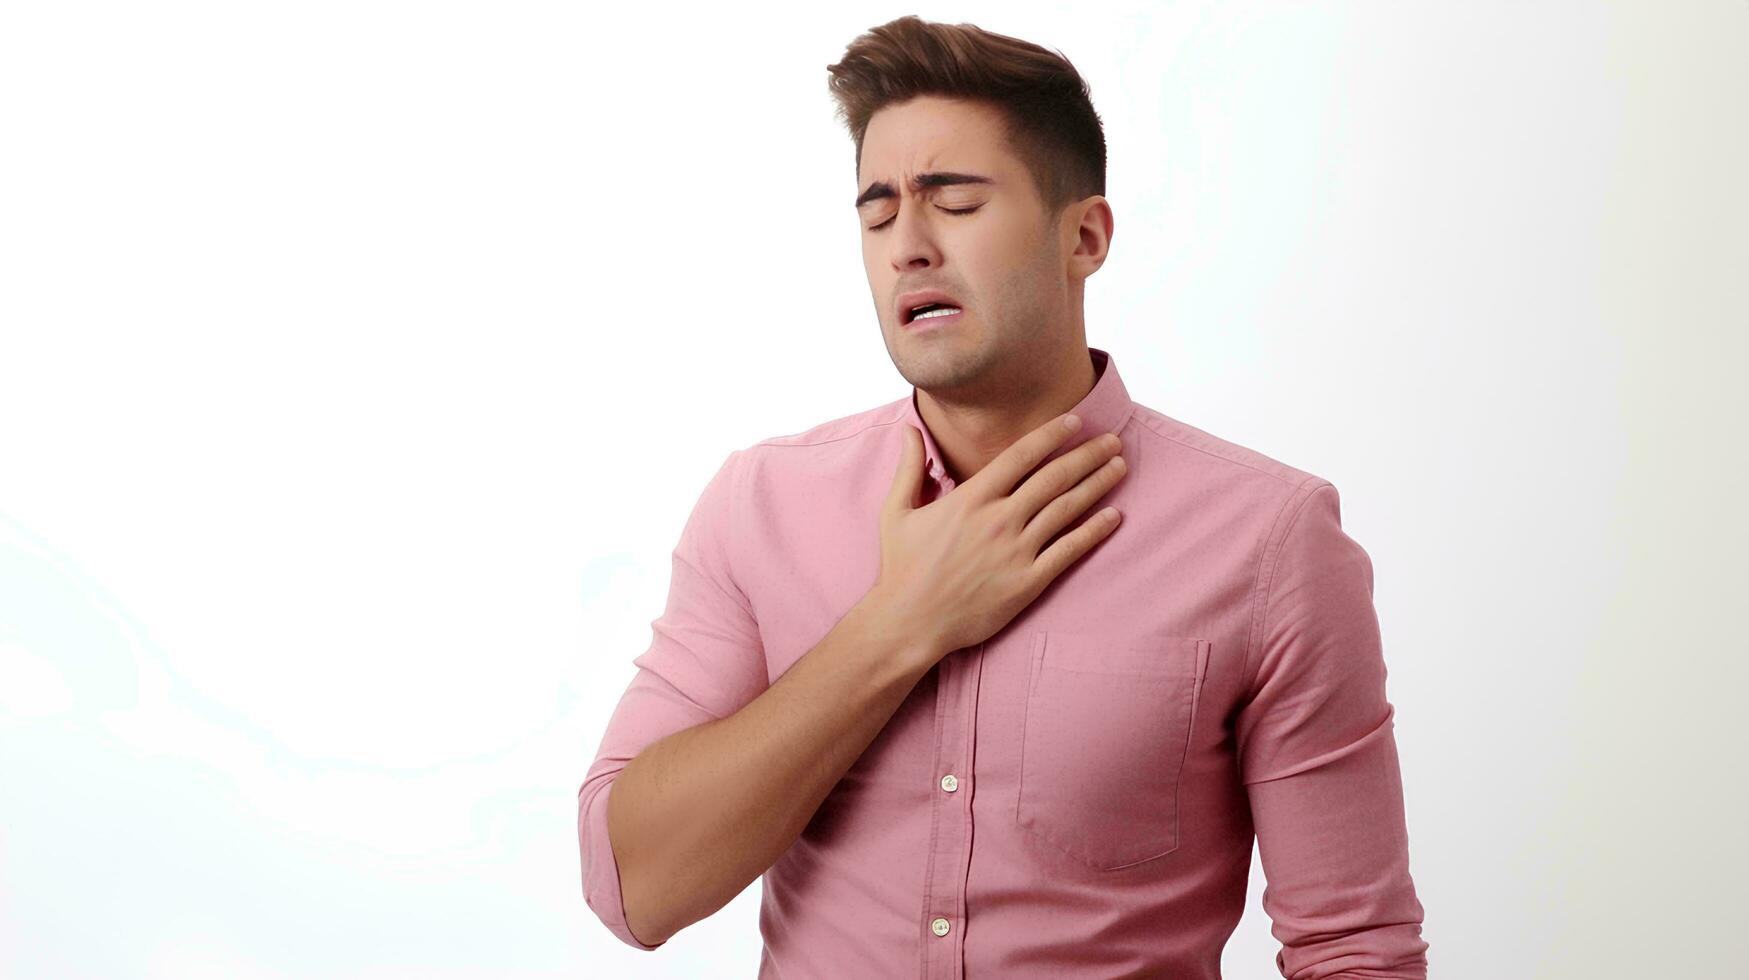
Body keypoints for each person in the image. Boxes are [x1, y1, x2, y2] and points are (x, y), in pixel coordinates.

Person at [578, 14, 1429, 978]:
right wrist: (898, 625)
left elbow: (1352, 950)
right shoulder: (761, 505)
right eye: (878, 209)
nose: (907, 244)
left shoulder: (1268, 541)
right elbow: (632, 887)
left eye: (954, 201)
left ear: (1085, 235)